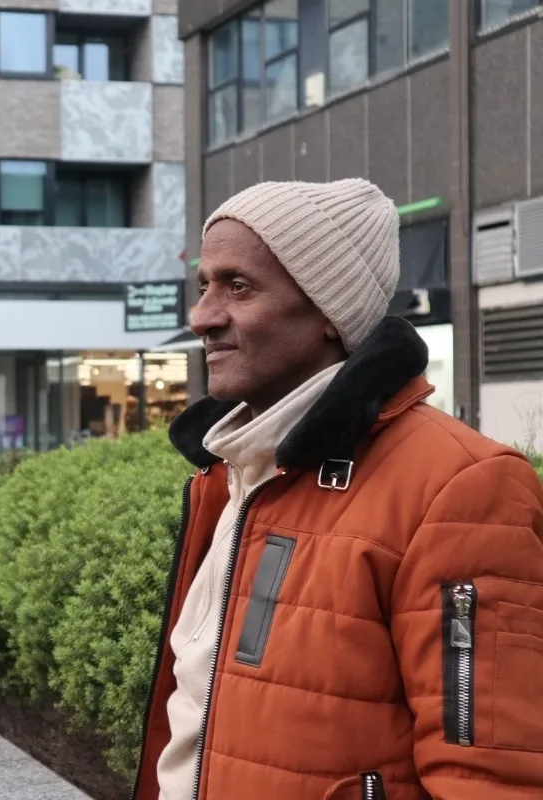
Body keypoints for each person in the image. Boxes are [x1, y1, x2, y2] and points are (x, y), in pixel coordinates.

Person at [133, 179, 543, 800]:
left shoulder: (461, 486)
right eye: (204, 285)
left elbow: (490, 776)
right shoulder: (230, 475)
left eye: (237, 286)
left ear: (329, 309)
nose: (201, 317)